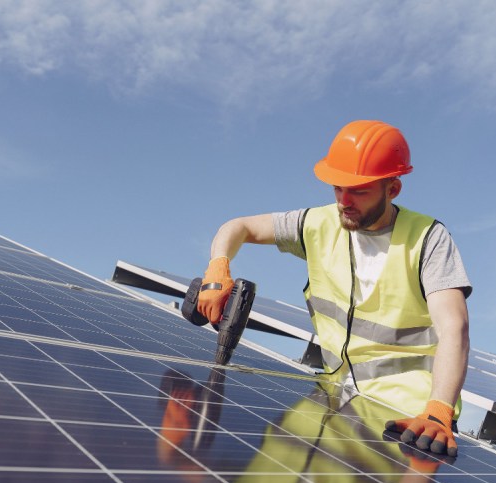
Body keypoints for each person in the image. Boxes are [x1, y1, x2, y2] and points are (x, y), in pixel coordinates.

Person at [196, 119, 471, 456]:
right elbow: (238, 226)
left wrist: (439, 410)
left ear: (393, 189)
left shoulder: (428, 238)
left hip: (410, 418)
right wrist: (218, 268)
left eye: (359, 190)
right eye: (338, 188)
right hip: (337, 399)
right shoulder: (317, 224)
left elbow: (454, 327)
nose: (344, 200)